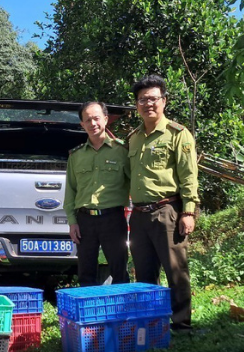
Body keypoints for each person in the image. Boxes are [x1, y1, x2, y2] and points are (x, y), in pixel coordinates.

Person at [127, 75, 199, 331]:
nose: (148, 104)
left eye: (153, 98)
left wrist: (188, 211)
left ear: (164, 101)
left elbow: (189, 175)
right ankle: (152, 323)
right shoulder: (133, 138)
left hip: (167, 210)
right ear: (136, 104)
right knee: (144, 274)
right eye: (142, 99)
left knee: (175, 270)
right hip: (139, 214)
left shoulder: (178, 134)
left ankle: (181, 324)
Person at [63, 102, 130, 286]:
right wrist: (72, 222)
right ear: (82, 125)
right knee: (85, 273)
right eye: (88, 120)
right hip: (84, 221)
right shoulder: (76, 156)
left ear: (106, 120)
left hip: (113, 218)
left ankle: (120, 314)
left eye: (96, 118)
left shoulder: (122, 151)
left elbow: (135, 183)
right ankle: (89, 314)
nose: (93, 123)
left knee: (119, 271)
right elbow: (70, 191)